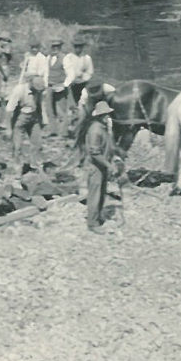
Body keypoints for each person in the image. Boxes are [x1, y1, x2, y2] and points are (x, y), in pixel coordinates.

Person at [84, 101, 126, 234]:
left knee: (101, 193)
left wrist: (114, 158)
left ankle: (98, 218)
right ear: (99, 116)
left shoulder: (103, 128)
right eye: (105, 115)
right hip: (95, 167)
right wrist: (109, 165)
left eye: (108, 114)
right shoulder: (95, 130)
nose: (108, 117)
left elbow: (108, 147)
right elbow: (95, 153)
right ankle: (92, 223)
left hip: (101, 166)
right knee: (95, 195)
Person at [6, 75, 47, 171]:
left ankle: (36, 166)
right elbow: (9, 110)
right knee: (17, 145)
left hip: (34, 117)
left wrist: (42, 121)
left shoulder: (38, 91)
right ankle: (18, 166)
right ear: (30, 84)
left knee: (37, 143)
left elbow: (40, 105)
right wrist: (8, 128)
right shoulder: (19, 90)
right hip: (20, 117)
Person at [44, 38, 69, 136]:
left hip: (60, 86)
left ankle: (63, 132)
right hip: (50, 85)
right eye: (53, 47)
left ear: (60, 47)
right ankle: (53, 131)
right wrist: (46, 86)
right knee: (49, 109)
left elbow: (70, 74)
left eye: (57, 47)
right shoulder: (48, 58)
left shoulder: (65, 58)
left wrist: (64, 85)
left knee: (61, 110)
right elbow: (46, 73)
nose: (55, 49)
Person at [63, 35, 95, 103]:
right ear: (73, 47)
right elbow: (66, 71)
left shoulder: (87, 58)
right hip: (71, 85)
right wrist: (72, 78)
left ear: (83, 47)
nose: (78, 48)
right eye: (76, 46)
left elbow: (90, 72)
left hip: (83, 84)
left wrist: (83, 77)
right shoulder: (68, 58)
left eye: (80, 46)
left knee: (85, 100)